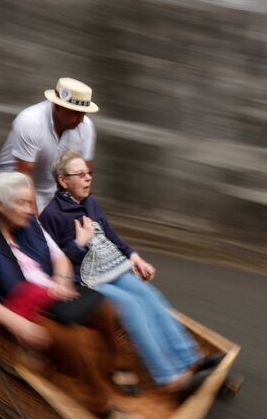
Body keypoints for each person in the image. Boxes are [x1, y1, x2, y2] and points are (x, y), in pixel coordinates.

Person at [0, 172, 143, 419]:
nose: (29, 209)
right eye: (21, 203)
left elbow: (60, 259)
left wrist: (61, 280)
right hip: (22, 308)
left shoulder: (31, 224)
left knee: (106, 309)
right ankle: (102, 404)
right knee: (73, 342)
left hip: (51, 294)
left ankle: (116, 362)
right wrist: (18, 324)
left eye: (30, 202)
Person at [39, 150, 223, 399]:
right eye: (80, 174)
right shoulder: (51, 215)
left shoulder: (90, 202)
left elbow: (111, 236)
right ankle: (171, 379)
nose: (88, 178)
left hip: (112, 266)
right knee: (132, 306)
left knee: (151, 295)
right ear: (63, 180)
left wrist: (134, 257)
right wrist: (79, 243)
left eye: (89, 173)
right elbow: (53, 262)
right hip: (86, 277)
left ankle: (191, 359)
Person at [0, 77, 98, 214]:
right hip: (13, 188)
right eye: (75, 112)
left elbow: (82, 177)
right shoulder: (30, 121)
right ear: (57, 106)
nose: (80, 119)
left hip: (51, 193)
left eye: (83, 113)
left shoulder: (86, 127)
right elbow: (23, 177)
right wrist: (37, 225)